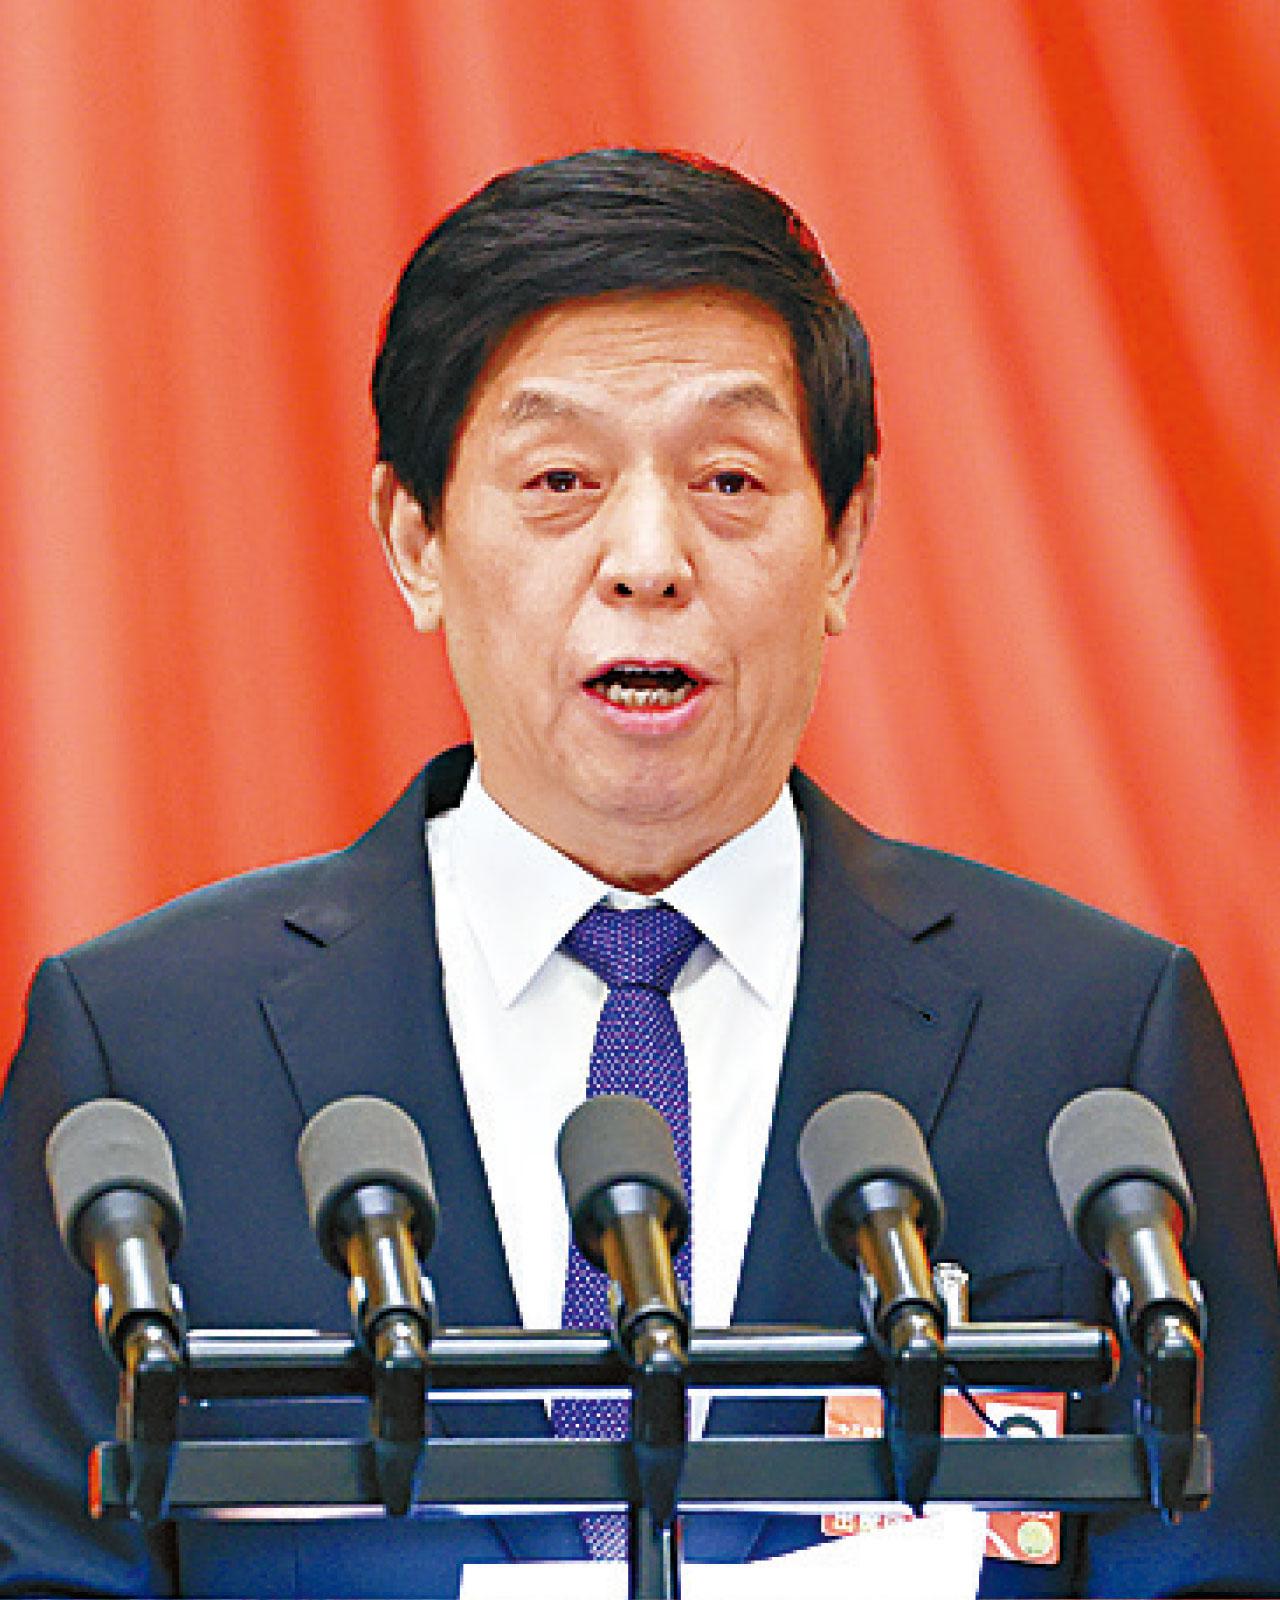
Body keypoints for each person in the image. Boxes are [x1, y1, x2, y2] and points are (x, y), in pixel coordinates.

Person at [1, 148, 1277, 1600]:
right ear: (416, 542)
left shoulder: (1094, 1038)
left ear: (845, 541)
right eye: (561, 481)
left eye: (730, 480)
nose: (650, 559)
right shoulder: (147, 1054)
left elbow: (1212, 1559)